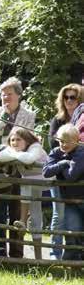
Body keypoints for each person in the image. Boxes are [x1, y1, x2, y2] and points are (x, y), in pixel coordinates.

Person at [0, 77, 35, 258]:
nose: (5, 98)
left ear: (18, 96)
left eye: (9, 95)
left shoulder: (28, 114)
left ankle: (16, 255)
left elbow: (26, 138)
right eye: (3, 95)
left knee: (16, 211)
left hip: (19, 167)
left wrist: (7, 147)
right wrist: (4, 118)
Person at [0, 128, 48, 259]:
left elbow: (29, 159)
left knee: (25, 183)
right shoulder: (15, 149)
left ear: (27, 140)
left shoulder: (35, 146)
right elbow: (0, 156)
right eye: (12, 140)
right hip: (31, 184)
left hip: (46, 181)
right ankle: (38, 259)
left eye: (18, 139)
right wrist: (14, 152)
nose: (14, 143)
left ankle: (23, 220)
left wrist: (13, 154)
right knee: (36, 218)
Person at [48, 84, 81, 259]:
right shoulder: (57, 120)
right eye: (66, 97)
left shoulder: (81, 120)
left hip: (77, 174)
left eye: (73, 97)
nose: (69, 100)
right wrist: (66, 159)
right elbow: (53, 145)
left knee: (73, 217)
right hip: (59, 173)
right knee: (58, 214)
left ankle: (73, 254)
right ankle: (55, 253)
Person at [42, 123, 84, 261]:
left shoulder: (81, 152)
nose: (63, 145)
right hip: (70, 200)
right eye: (61, 141)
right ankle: (73, 264)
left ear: (77, 141)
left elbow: (72, 176)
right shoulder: (56, 152)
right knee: (73, 230)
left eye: (67, 141)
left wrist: (60, 167)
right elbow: (46, 172)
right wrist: (63, 163)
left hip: (81, 197)